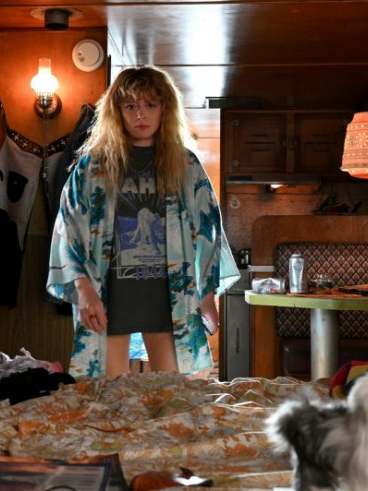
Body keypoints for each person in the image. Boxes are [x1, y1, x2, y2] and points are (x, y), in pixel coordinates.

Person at [46, 66, 239, 378]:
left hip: (170, 298)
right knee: (108, 392)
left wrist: (207, 298)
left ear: (165, 109)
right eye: (131, 106)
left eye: (151, 104)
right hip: (108, 296)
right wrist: (83, 291)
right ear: (117, 111)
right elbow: (68, 232)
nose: (141, 114)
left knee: (171, 392)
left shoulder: (186, 166)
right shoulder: (92, 168)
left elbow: (209, 234)